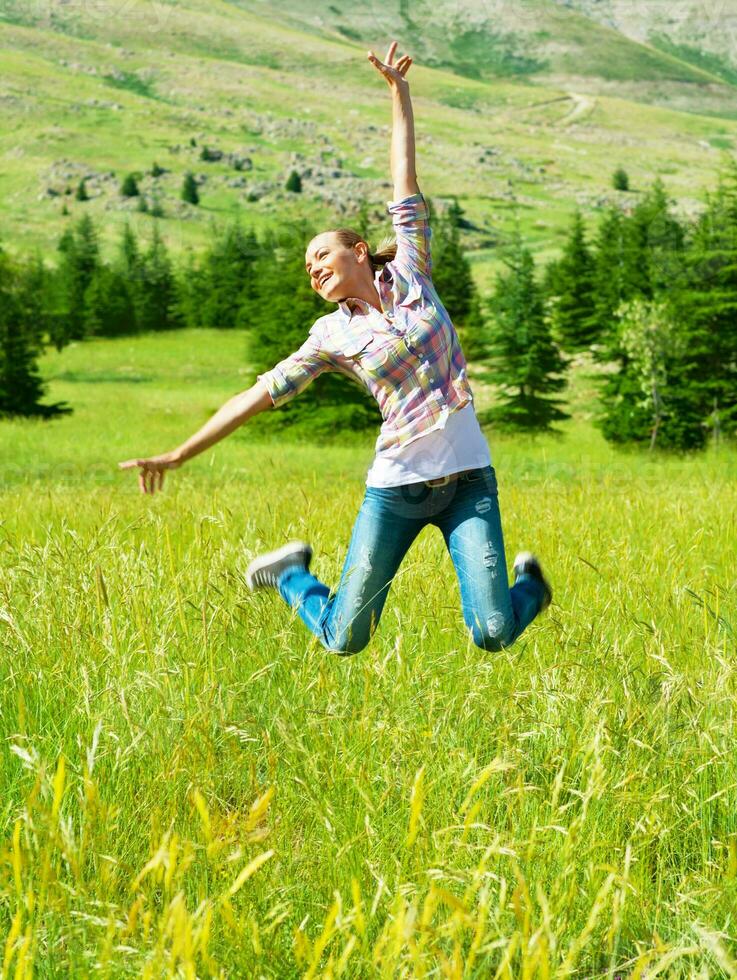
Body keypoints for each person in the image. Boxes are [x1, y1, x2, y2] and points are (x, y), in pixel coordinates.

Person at [119, 41, 552, 655]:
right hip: (397, 489)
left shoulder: (412, 270)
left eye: (321, 253)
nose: (312, 267)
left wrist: (398, 93)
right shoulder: (331, 337)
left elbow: (405, 181)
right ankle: (292, 574)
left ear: (356, 248)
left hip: (470, 482)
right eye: (305, 266)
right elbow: (255, 397)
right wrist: (177, 454)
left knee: (493, 631)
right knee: (345, 638)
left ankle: (531, 587)